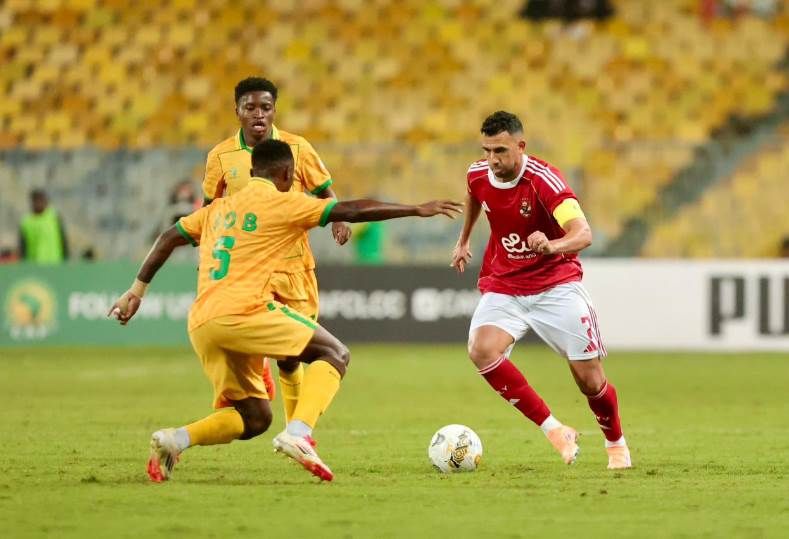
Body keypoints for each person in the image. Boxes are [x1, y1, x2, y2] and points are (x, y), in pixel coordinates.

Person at [108, 140, 462, 482]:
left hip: (202, 321)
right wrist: (415, 209)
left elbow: (169, 236)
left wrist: (136, 290)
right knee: (335, 353)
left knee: (255, 417)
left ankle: (175, 440)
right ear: (287, 175)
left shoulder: (217, 209)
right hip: (245, 310)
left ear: (252, 171)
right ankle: (299, 433)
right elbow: (351, 210)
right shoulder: (284, 202)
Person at [450, 111, 631, 470]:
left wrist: (551, 245)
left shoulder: (544, 181)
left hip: (555, 286)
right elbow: (474, 196)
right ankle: (555, 431)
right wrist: (464, 239)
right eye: (487, 150)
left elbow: (583, 233)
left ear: (521, 146)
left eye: (500, 151)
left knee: (590, 380)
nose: (492, 160)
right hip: (505, 283)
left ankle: (616, 444)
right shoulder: (478, 173)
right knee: (481, 350)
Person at [202, 76, 352, 420]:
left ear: (274, 110)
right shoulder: (221, 157)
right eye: (250, 107)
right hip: (248, 270)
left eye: (265, 107)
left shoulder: (297, 148)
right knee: (265, 342)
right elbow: (210, 210)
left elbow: (324, 190)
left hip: (294, 266)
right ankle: (294, 428)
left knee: (293, 355)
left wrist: (339, 219)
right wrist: (208, 253)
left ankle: (293, 429)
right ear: (237, 111)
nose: (259, 114)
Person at [18, 189, 69, 264]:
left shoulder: (54, 217)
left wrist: (66, 260)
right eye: (36, 201)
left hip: (55, 263)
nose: (39, 204)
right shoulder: (26, 222)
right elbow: (23, 247)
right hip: (34, 265)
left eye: (41, 200)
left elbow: (63, 241)